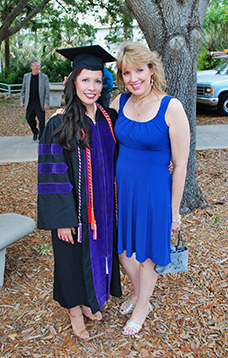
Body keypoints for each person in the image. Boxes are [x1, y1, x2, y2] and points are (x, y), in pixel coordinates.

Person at [37, 45, 122, 340]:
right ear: (73, 81)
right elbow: (51, 173)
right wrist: (62, 218)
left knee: (98, 256)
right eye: (86, 80)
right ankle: (75, 312)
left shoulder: (107, 117)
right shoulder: (59, 123)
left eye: (98, 81)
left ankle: (89, 302)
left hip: (102, 209)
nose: (92, 87)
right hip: (73, 210)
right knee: (71, 259)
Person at [110, 41, 190, 336]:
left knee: (147, 255)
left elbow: (181, 165)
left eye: (139, 71)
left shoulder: (172, 107)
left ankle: (142, 306)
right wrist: (64, 111)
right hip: (124, 192)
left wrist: (174, 212)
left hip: (155, 193)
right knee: (123, 252)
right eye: (127, 73)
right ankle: (138, 293)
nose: (133, 79)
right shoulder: (119, 103)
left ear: (152, 70)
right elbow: (94, 125)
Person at [20, 59, 50, 140]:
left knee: (41, 120)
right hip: (30, 102)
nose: (38, 67)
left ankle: (42, 136)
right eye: (36, 66)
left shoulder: (44, 77)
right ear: (31, 67)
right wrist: (21, 100)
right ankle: (35, 132)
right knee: (29, 118)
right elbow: (23, 89)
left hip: (40, 102)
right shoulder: (26, 76)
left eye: (39, 66)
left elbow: (47, 90)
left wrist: (46, 102)